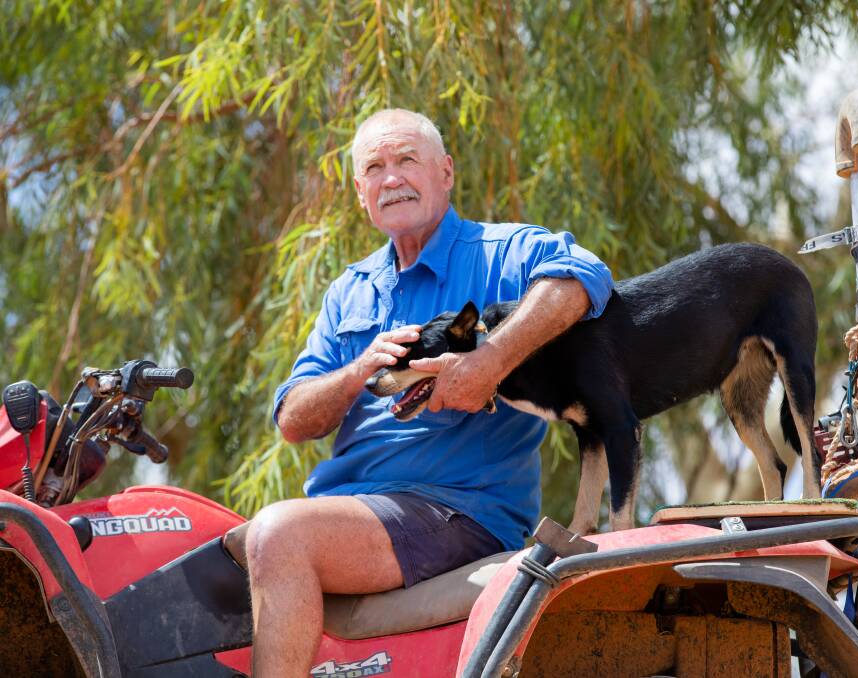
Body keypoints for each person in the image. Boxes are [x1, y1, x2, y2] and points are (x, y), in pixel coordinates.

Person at [247, 108, 613, 677]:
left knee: (278, 533)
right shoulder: (349, 290)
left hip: (459, 510)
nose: (391, 178)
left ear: (445, 173)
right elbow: (292, 419)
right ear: (361, 194)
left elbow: (585, 276)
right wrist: (358, 370)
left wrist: (489, 361)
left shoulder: (500, 253)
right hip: (351, 510)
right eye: (375, 167)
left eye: (406, 161)